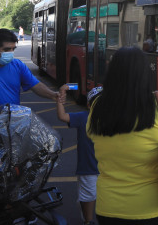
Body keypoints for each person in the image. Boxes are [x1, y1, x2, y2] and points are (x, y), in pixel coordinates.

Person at [88, 47, 158, 224]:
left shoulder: (97, 106)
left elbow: (92, 137)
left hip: (110, 208)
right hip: (157, 208)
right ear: (144, 73)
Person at [57, 85, 102, 225]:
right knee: (89, 196)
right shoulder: (83, 117)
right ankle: (88, 221)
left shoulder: (113, 119)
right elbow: (62, 116)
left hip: (107, 168)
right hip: (88, 167)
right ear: (89, 105)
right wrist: (60, 97)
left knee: (102, 195)